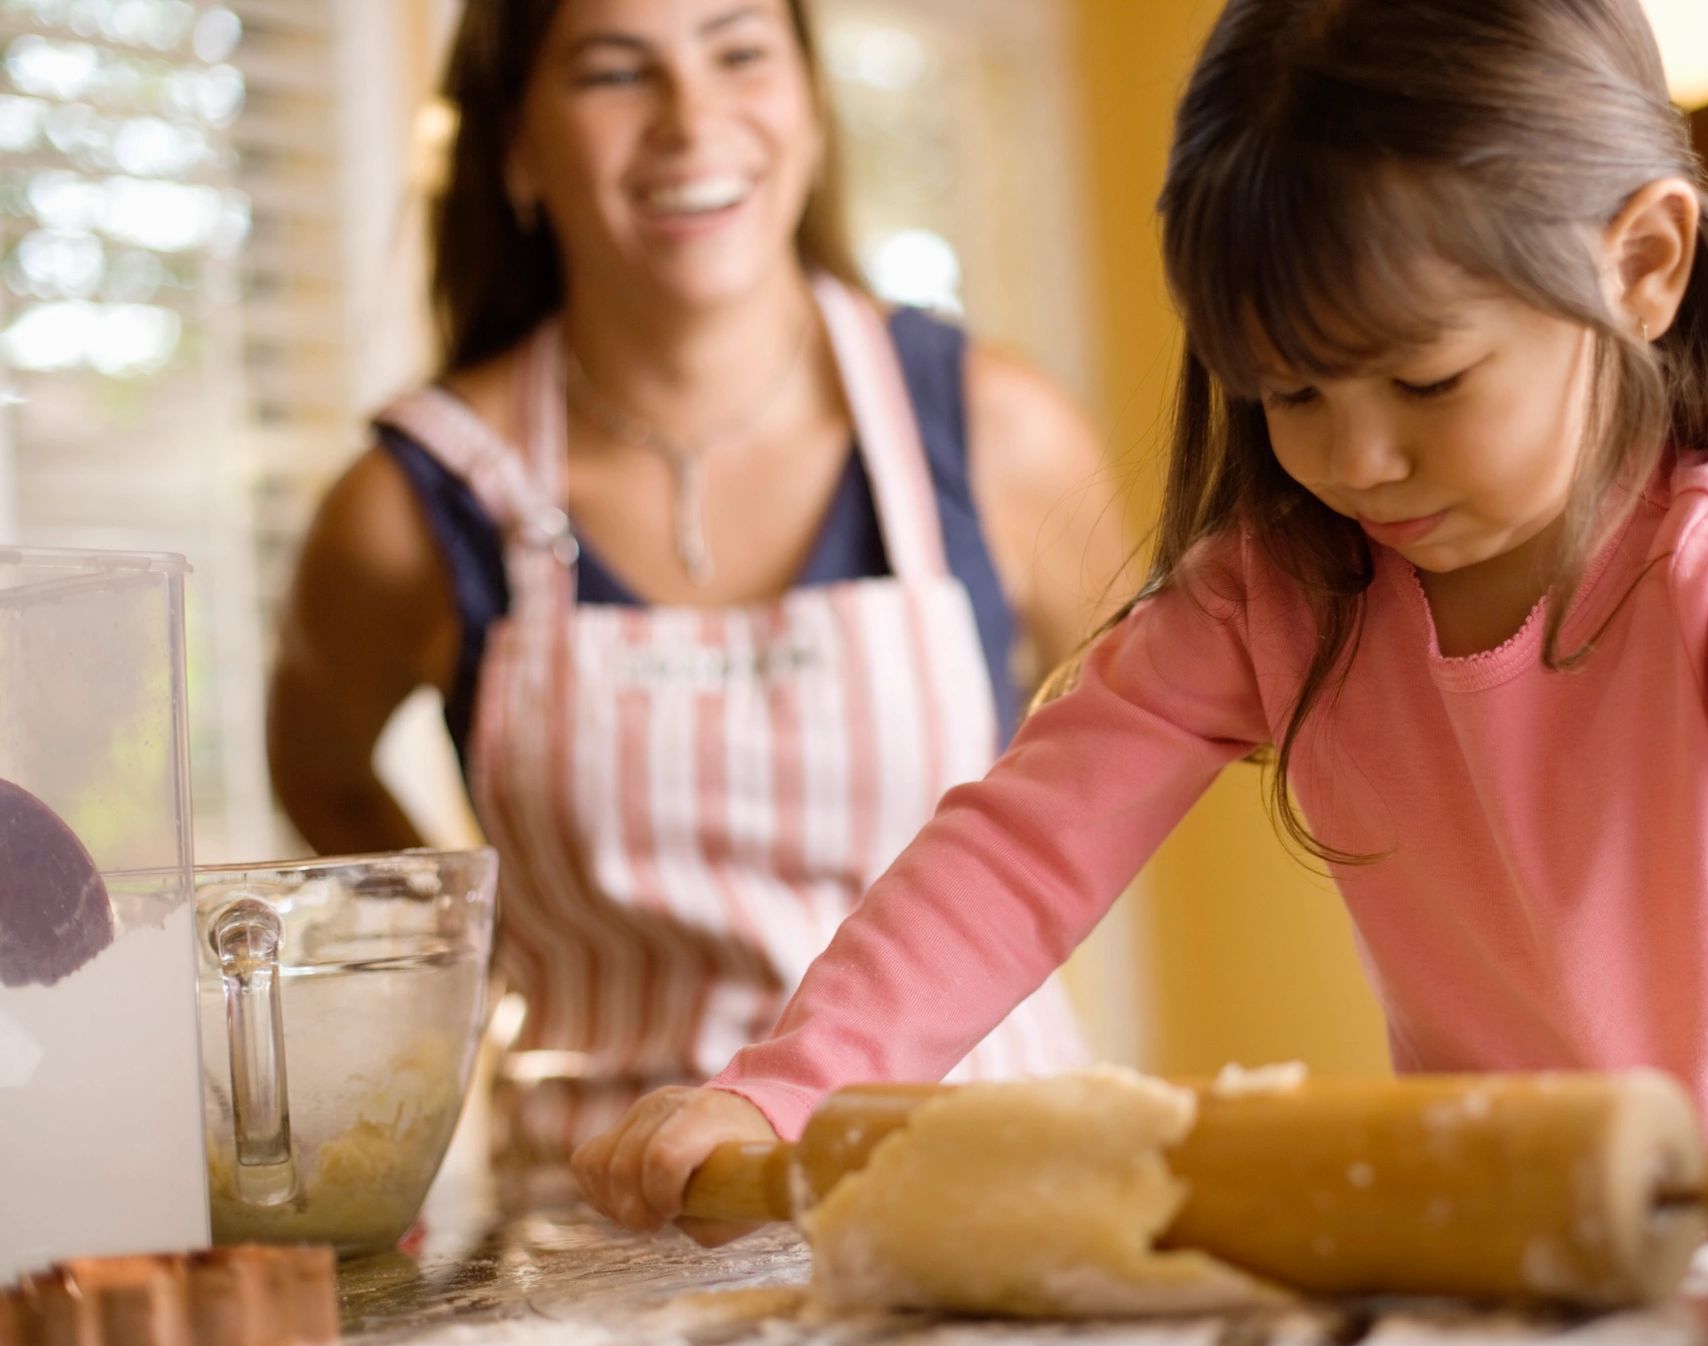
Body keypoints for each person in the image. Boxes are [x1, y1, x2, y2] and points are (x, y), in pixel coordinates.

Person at [574, 0, 1708, 1270]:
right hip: (1520, 1251)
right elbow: (1018, 853)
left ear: (1641, 268)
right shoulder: (1277, 595)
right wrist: (790, 1090)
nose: (1356, 461)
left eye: (1425, 384)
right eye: (1291, 394)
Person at [267, 0, 1117, 1158]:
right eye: (617, 72)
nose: (692, 118)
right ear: (515, 146)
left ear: (811, 108)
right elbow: (321, 773)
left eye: (739, 53)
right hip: (604, 1218)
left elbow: (1125, 760)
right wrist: (467, 972)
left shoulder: (997, 431)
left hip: (989, 1170)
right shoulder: (408, 508)